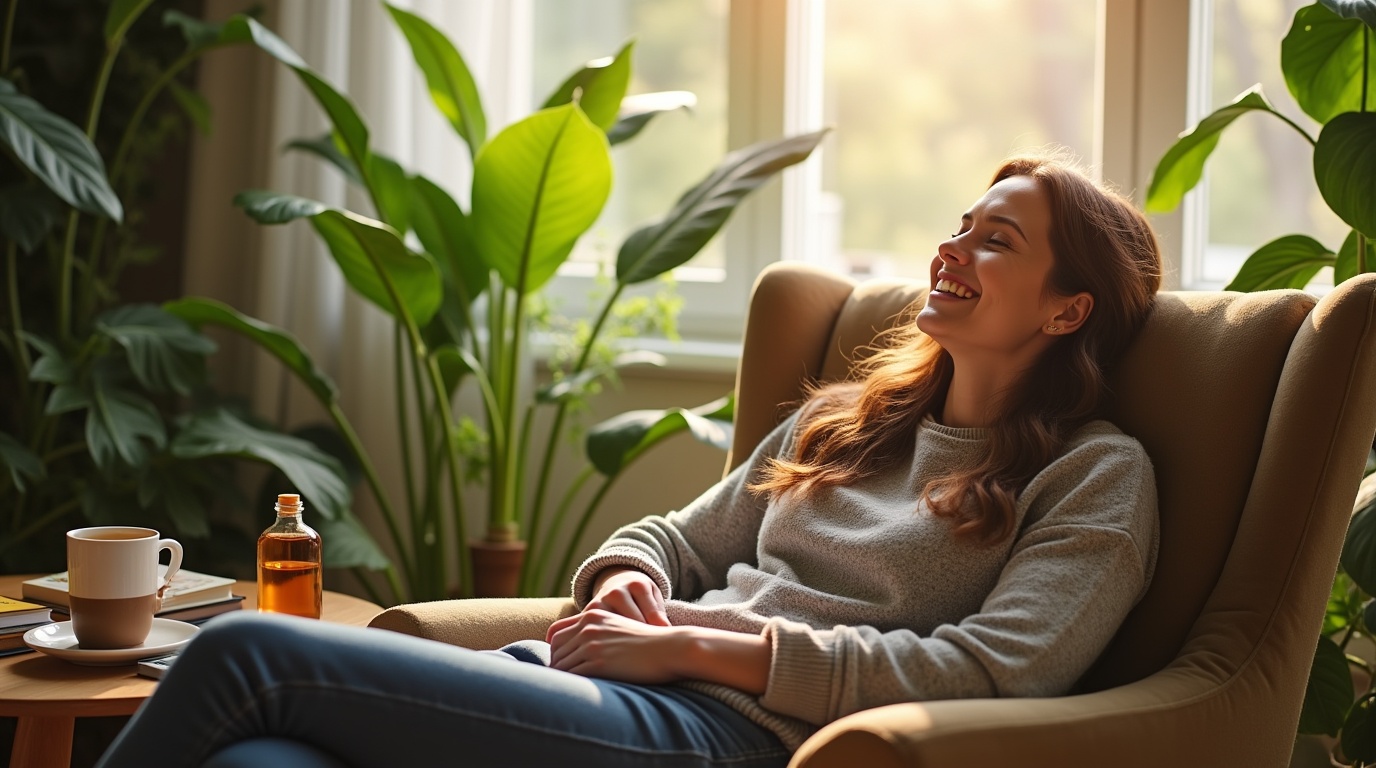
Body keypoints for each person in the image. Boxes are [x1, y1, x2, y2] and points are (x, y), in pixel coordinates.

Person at [95, 154, 1163, 768]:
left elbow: (989, 675)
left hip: (733, 736)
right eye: (959, 223)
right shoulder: (848, 422)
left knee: (242, 654)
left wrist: (701, 652)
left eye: (995, 241)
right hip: (590, 683)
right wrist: (636, 591)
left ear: (1067, 308)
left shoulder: (1092, 478)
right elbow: (660, 539)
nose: (951, 248)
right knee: (255, 763)